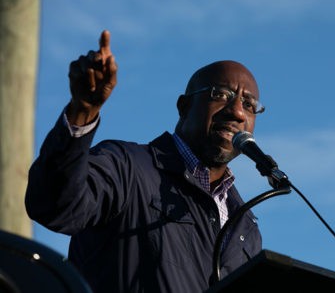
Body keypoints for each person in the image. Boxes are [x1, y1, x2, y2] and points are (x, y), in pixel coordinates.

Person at [25, 30, 266, 293]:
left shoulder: (245, 224)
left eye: (249, 104)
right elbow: (53, 205)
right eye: (221, 95)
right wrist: (83, 110)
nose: (237, 112)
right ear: (184, 107)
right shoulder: (126, 167)